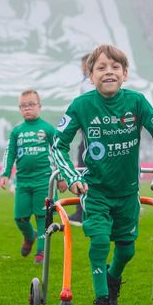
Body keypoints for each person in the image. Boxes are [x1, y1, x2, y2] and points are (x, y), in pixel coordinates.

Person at [52, 44, 153, 305]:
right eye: (101, 68)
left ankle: (111, 279)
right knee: (98, 241)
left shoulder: (137, 102)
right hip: (95, 191)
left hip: (127, 193)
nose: (108, 72)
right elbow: (58, 143)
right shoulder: (81, 105)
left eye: (115, 67)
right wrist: (72, 176)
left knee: (127, 250)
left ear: (125, 73)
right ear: (90, 76)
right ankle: (103, 304)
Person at [0, 89, 67, 264]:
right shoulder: (17, 131)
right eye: (23, 106)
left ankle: (41, 251)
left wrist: (61, 177)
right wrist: (5, 173)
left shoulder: (48, 129)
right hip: (23, 182)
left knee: (42, 217)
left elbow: (59, 153)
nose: (27, 108)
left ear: (39, 106)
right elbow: (10, 153)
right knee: (20, 219)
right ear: (19, 109)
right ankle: (30, 236)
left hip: (44, 181)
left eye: (31, 104)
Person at [68, 53, 92, 226]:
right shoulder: (87, 82)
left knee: (83, 171)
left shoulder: (89, 83)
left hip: (91, 136)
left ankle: (81, 212)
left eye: (84, 64)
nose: (82, 68)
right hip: (90, 134)